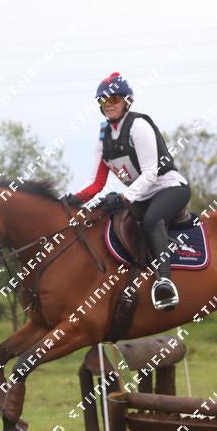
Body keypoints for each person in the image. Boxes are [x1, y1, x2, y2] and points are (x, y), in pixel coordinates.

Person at [62, 72, 190, 311]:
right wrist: (74, 200)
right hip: (141, 195)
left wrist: (123, 197)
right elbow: (97, 183)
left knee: (151, 220)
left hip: (169, 187)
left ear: (127, 101)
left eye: (114, 99)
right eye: (103, 100)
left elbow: (151, 173)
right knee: (107, 220)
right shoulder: (104, 137)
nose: (108, 105)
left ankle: (164, 281)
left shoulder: (138, 126)